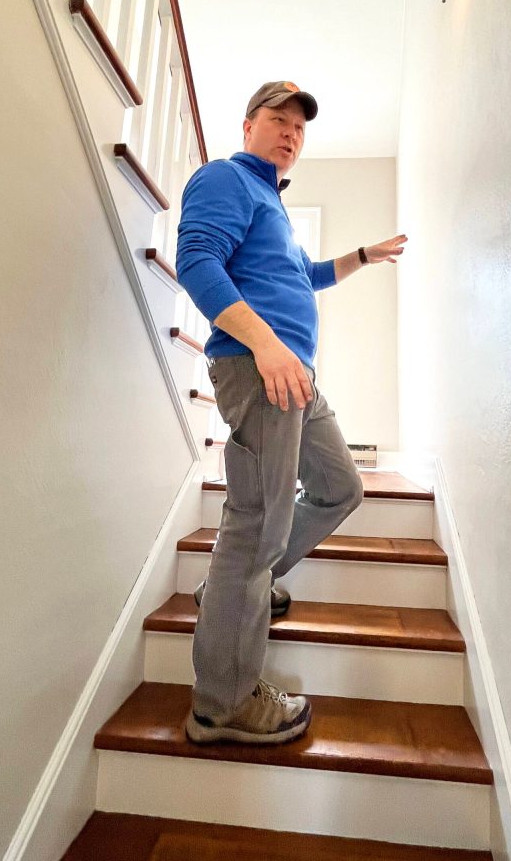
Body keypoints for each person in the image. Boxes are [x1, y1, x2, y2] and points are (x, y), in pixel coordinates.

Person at [175, 80, 407, 746]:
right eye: (278, 119)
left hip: (294, 375)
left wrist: (363, 257)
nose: (290, 133)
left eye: (299, 128)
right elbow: (196, 261)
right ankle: (222, 703)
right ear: (248, 125)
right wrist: (267, 345)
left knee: (340, 486)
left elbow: (307, 274)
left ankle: (238, 591)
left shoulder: (271, 206)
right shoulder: (226, 179)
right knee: (256, 527)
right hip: (260, 369)